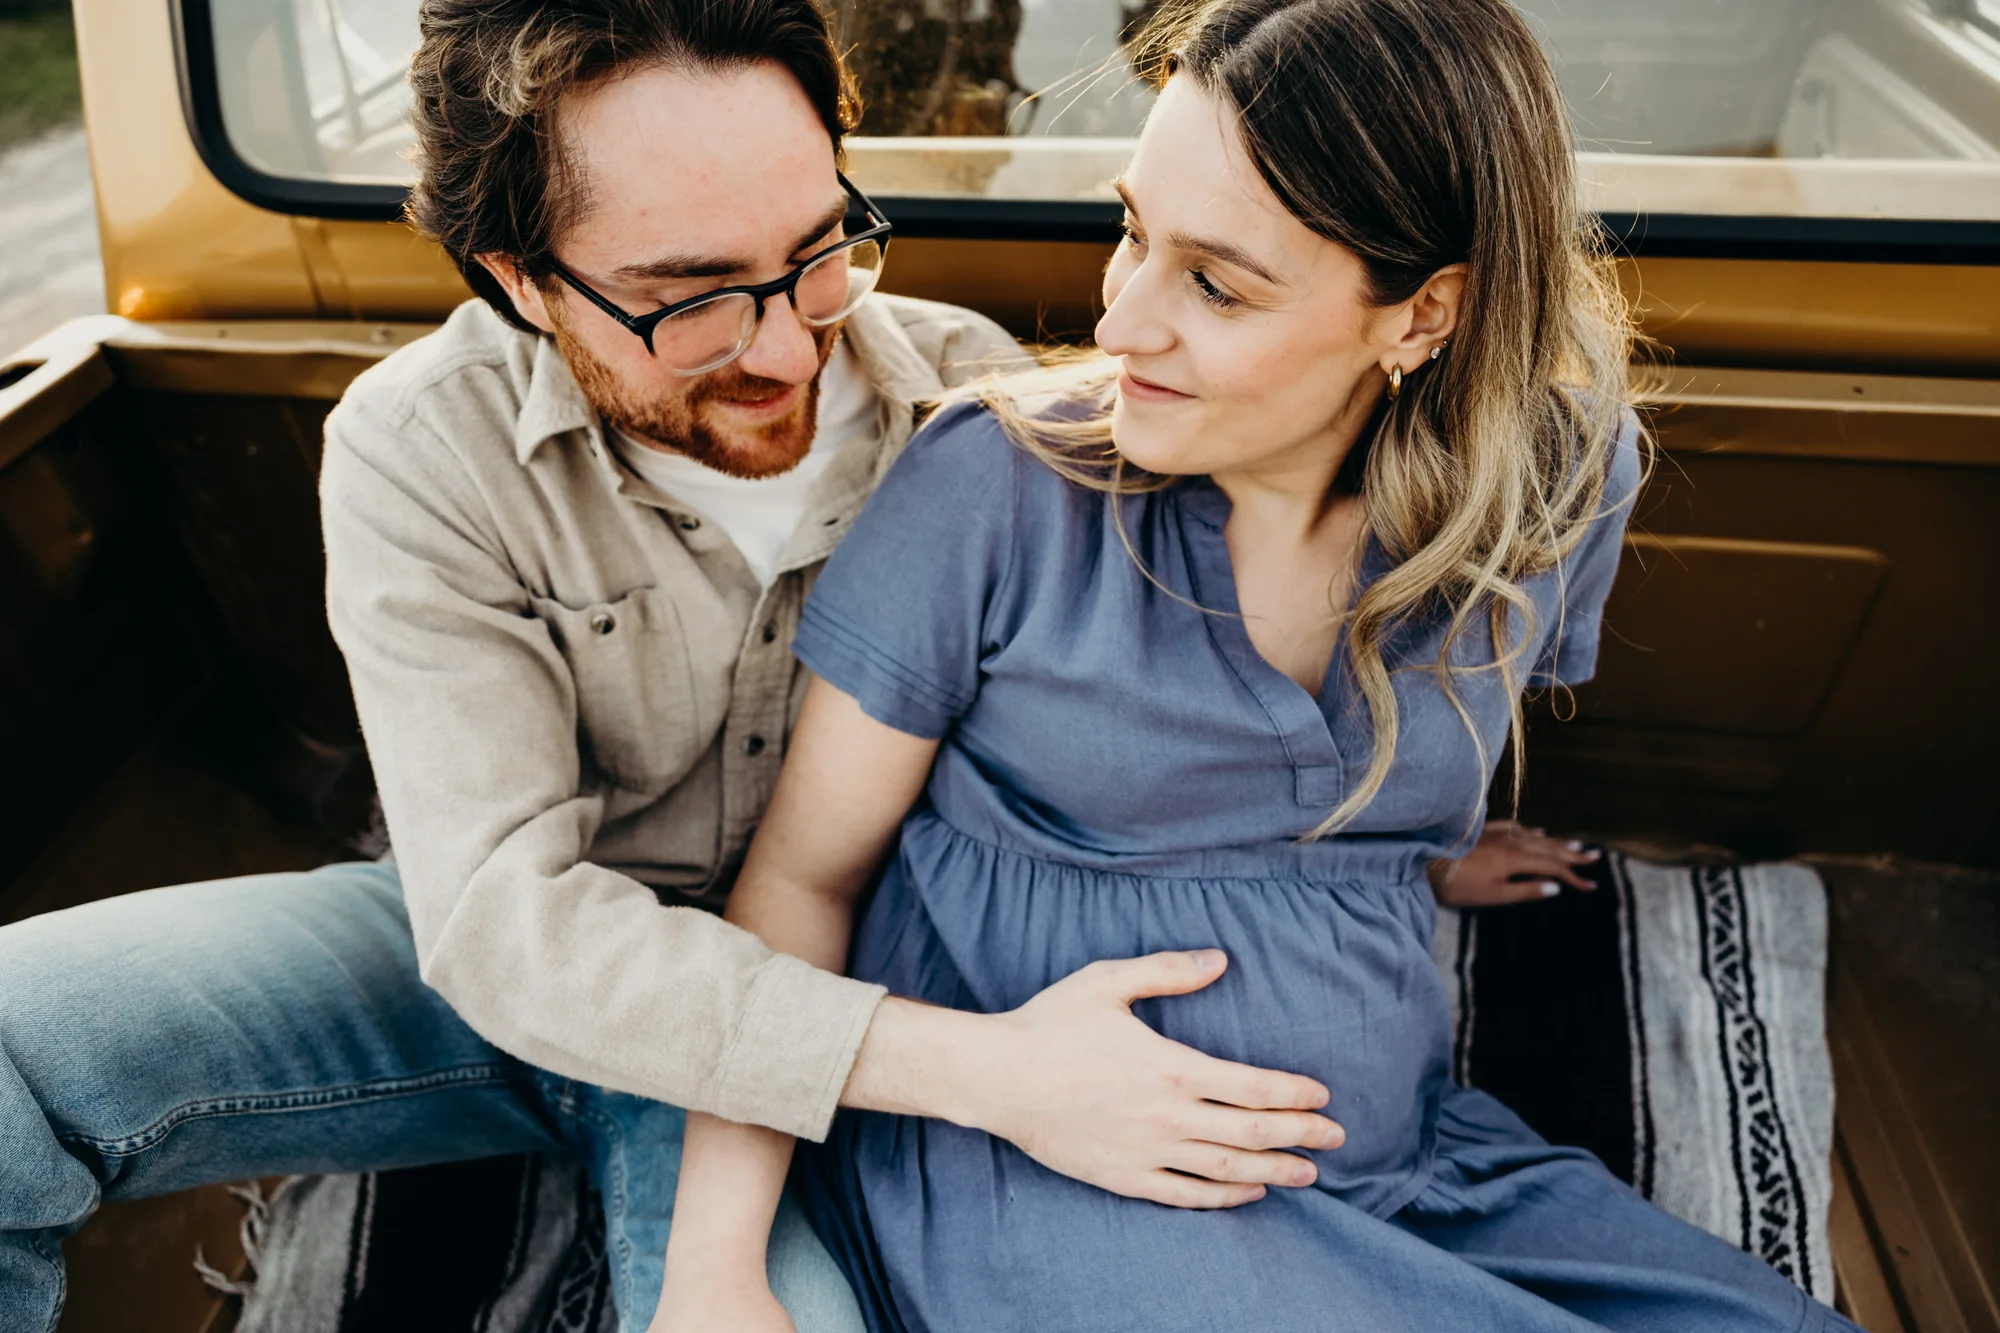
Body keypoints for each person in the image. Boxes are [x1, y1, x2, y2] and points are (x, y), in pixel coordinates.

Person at [0, 0, 1588, 1328]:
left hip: (847, 1011)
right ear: (516, 281)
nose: (783, 341)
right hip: (547, 974)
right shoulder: (419, 453)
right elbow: (500, 925)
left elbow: (1229, 664)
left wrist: (1386, 850)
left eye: (820, 249)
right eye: (687, 300)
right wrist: (992, 1076)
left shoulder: (981, 408)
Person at [651, 1, 1863, 1330]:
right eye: (1131, 232)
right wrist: (713, 1274)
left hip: (1399, 1152)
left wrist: (1402, 845)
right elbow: (800, 882)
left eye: (1216, 284)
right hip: (1038, 1157)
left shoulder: (1559, 478)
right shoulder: (994, 488)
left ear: (1423, 316)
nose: (1121, 324)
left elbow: (1315, 773)